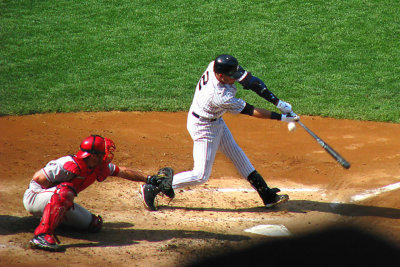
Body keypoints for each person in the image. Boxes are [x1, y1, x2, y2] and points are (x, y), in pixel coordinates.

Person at [140, 54, 299, 211]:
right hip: (203, 127)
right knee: (200, 175)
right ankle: (154, 186)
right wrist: (282, 118)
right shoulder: (219, 96)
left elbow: (251, 82)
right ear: (221, 75)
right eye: (231, 77)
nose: (235, 79)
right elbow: (250, 110)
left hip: (214, 120)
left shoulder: (215, 66)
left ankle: (267, 196)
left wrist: (277, 102)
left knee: (237, 154)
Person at [23, 134, 171, 252]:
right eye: (102, 154)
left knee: (94, 225)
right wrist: (57, 192)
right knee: (65, 192)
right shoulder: (68, 164)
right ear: (93, 155)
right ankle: (41, 235)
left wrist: (149, 179)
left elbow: (122, 171)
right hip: (35, 197)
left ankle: (53, 218)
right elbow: (38, 179)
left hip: (55, 200)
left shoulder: (98, 167)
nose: (106, 156)